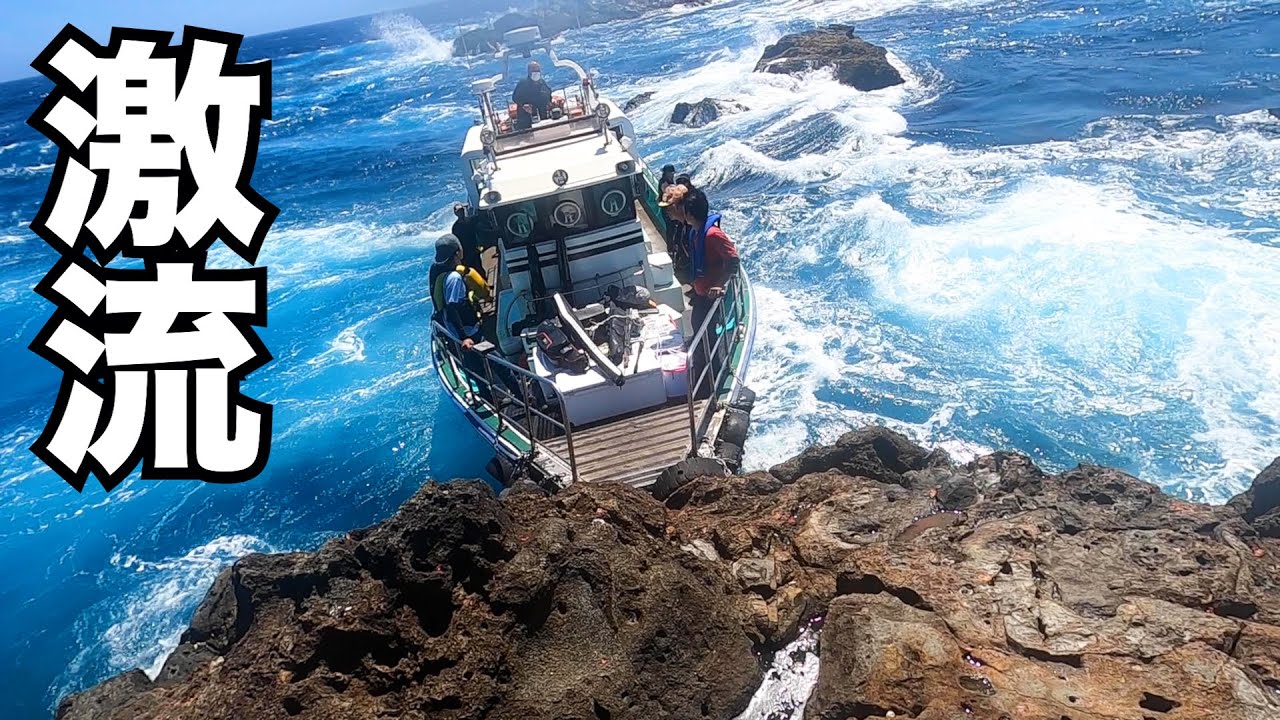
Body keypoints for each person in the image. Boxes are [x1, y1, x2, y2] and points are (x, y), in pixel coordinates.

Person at [673, 188, 739, 393]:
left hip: (711, 296)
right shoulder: (695, 232)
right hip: (701, 295)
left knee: (707, 338)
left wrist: (719, 284)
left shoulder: (712, 234)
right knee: (699, 334)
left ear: (690, 214)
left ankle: (712, 383)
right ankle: (705, 380)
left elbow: (733, 260)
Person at [431, 234, 492, 399]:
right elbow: (453, 308)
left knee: (477, 365)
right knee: (492, 363)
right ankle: (494, 396)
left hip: (454, 329)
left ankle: (487, 394)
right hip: (468, 331)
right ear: (457, 252)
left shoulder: (438, 272)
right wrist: (464, 337)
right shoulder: (455, 278)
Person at [512, 61, 552, 131]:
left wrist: (549, 102)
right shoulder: (522, 83)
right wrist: (524, 105)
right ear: (529, 71)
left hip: (543, 117)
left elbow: (548, 93)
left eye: (538, 70)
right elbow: (515, 97)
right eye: (534, 70)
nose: (536, 72)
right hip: (526, 119)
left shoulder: (542, 82)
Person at [451, 203, 483, 271]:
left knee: (479, 269)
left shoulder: (471, 220)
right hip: (465, 254)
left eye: (462, 210)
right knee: (469, 271)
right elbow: (456, 242)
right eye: (459, 211)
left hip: (474, 250)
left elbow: (480, 217)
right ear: (456, 214)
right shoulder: (455, 227)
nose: (461, 212)